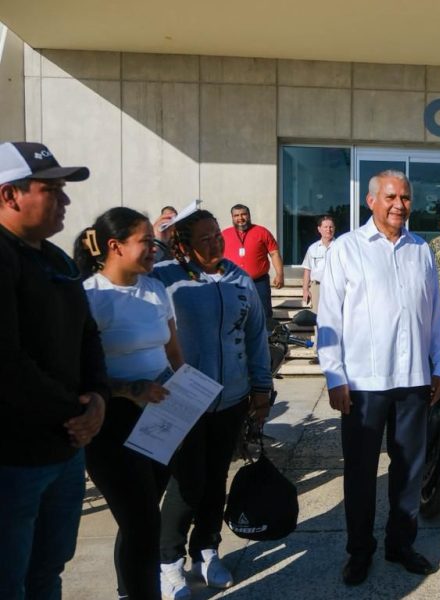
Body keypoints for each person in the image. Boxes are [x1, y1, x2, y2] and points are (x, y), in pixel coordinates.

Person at [318, 170, 440, 586]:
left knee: (409, 471)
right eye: (390, 197)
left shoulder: (421, 249)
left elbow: (434, 314)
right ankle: (360, 551)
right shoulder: (346, 248)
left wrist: (439, 366)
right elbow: (329, 317)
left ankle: (401, 544)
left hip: (413, 380)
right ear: (371, 201)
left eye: (405, 197)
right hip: (362, 384)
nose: (399, 205)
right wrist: (334, 375)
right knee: (360, 474)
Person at [0, 141, 109, 600]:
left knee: (49, 569)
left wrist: (98, 397)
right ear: (10, 195)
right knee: (9, 580)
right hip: (15, 457)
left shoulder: (57, 259)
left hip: (66, 450)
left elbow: (87, 334)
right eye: (51, 190)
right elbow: (7, 363)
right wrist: (76, 411)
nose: (65, 200)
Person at [152, 209, 273, 600]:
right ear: (184, 245)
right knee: (187, 483)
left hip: (231, 398)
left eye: (216, 235)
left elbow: (255, 335)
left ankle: (206, 550)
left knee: (216, 478)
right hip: (183, 399)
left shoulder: (239, 278)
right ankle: (169, 563)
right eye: (204, 238)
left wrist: (261, 387)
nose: (215, 243)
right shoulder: (165, 277)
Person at [75, 207, 184, 600]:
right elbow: (76, 373)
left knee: (141, 516)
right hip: (112, 421)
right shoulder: (89, 297)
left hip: (161, 416)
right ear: (115, 246)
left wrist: (187, 392)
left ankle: (129, 590)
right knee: (142, 522)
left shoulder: (154, 290)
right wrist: (129, 390)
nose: (155, 248)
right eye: (145, 241)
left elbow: (173, 352)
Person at [221, 204, 284, 318]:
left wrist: (280, 274)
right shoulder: (224, 234)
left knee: (264, 314)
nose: (240, 218)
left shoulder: (262, 232)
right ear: (232, 217)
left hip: (259, 282)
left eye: (243, 214)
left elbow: (274, 253)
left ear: (249, 215)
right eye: (236, 215)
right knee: (234, 315)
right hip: (233, 282)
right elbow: (217, 257)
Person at [301, 214, 335, 311]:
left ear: (334, 228)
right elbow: (307, 270)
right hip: (317, 288)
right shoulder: (312, 248)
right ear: (319, 229)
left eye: (331, 227)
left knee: (335, 316)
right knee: (316, 316)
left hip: (335, 288)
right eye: (325, 227)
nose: (328, 230)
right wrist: (305, 290)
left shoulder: (341, 247)